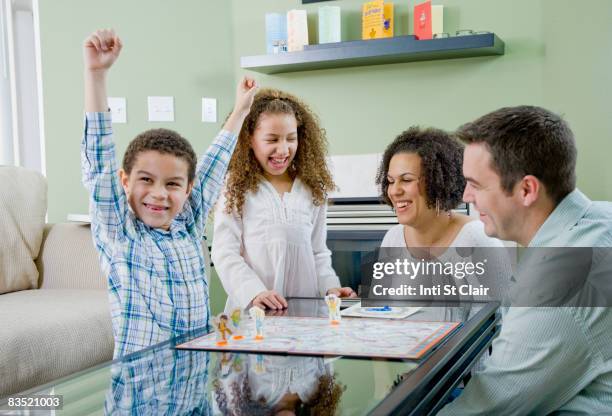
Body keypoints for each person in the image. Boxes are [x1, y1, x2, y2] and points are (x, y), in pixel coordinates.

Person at [81, 29, 257, 358]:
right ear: (125, 180)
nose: (159, 194)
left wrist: (240, 111)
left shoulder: (188, 225)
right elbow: (97, 165)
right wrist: (96, 75)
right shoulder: (120, 233)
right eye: (146, 180)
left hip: (192, 390)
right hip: (139, 396)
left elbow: (214, 165)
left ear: (188, 189)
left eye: (173, 184)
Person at [438, 105, 612, 414]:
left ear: (527, 190)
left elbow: (486, 408)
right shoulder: (599, 217)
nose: (465, 196)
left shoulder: (560, 283)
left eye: (476, 184)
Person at [211, 89, 356, 311]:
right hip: (253, 315)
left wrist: (330, 287)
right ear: (249, 139)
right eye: (272, 139)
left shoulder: (312, 189)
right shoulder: (235, 187)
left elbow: (318, 252)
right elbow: (224, 252)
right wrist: (254, 292)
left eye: (291, 139)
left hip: (304, 317)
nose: (283, 149)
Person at [374, 126, 511, 302]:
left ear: (438, 182)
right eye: (390, 181)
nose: (394, 191)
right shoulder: (393, 239)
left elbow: (499, 321)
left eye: (406, 180)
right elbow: (383, 309)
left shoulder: (479, 240)